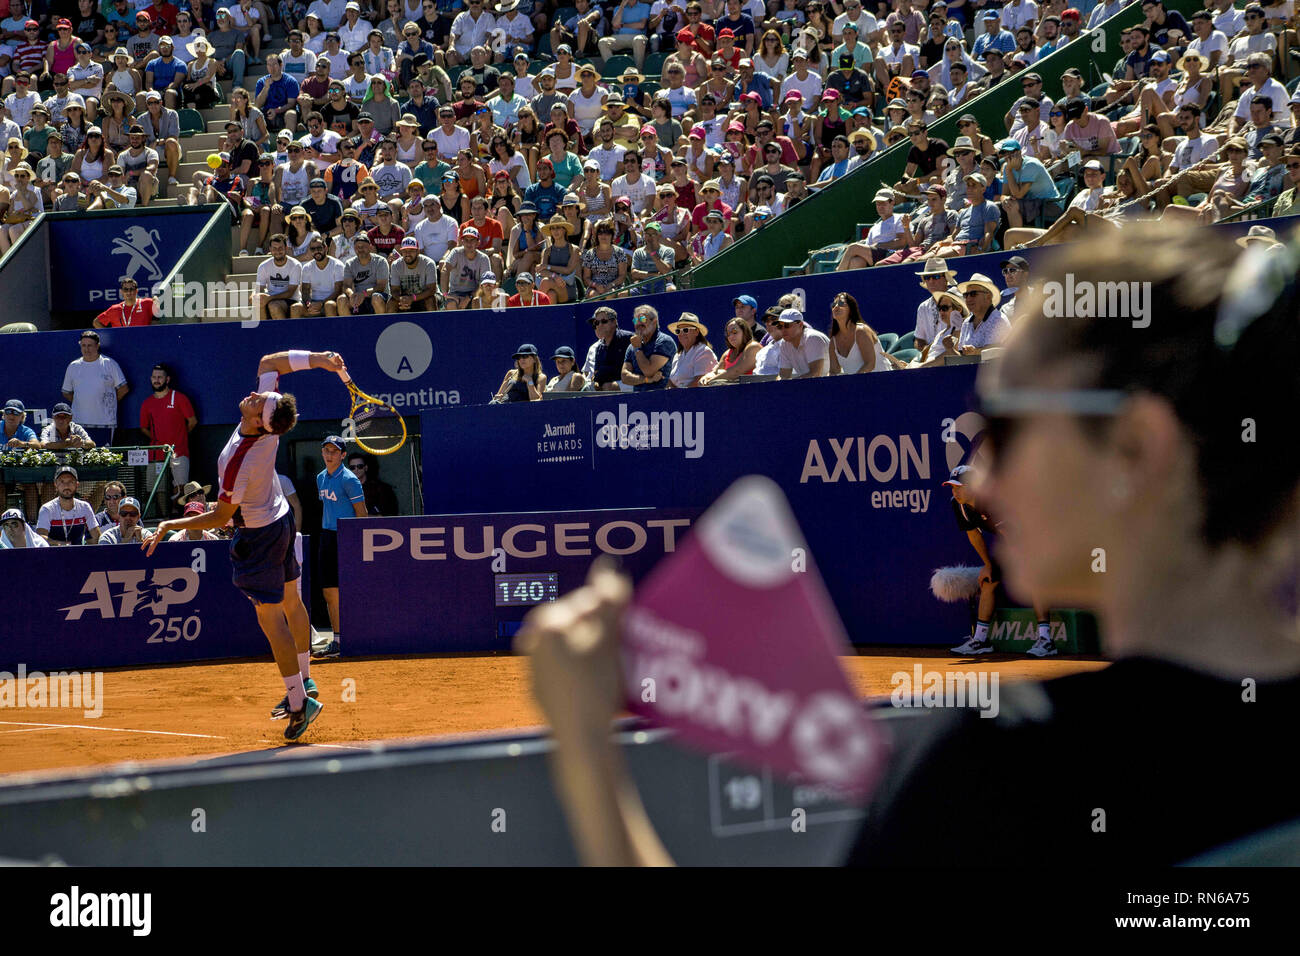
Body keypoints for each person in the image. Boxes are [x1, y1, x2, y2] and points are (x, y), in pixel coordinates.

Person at [143, 350, 350, 742]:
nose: (254, 395)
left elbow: (221, 518)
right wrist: (320, 360)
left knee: (271, 619)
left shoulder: (241, 460)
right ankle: (306, 682)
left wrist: (171, 521)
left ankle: (297, 702)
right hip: (281, 520)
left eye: (259, 401)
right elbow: (269, 363)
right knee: (292, 602)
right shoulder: (265, 423)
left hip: (259, 537)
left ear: (260, 422)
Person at [944, 465, 1059, 657]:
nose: (955, 491)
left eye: (959, 487)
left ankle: (1046, 640)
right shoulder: (959, 505)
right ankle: (980, 640)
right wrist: (988, 565)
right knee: (988, 581)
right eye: (952, 487)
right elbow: (974, 536)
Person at [314, 434, 367, 659]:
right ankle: (337, 640)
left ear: (343, 455)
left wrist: (356, 543)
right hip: (327, 537)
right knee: (328, 590)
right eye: (326, 450)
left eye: (334, 451)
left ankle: (357, 637)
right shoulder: (320, 478)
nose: (329, 454)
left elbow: (361, 514)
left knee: (350, 590)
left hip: (346, 538)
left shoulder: (350, 480)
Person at [60, 330, 127, 448]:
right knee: (81, 459)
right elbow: (67, 393)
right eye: (83, 345)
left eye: (90, 345)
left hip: (105, 424)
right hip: (79, 424)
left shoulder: (109, 364)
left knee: (103, 458)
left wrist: (108, 402)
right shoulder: (73, 366)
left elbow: (123, 388)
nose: (87, 349)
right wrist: (83, 401)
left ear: (97, 346)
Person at [828, 292, 901, 373]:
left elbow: (870, 364)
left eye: (841, 303)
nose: (836, 307)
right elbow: (833, 371)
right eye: (833, 305)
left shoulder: (861, 332)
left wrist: (853, 383)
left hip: (883, 381)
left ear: (851, 309)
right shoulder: (833, 342)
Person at [36, 465, 101, 545]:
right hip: (54, 554)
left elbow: (96, 535)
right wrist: (59, 544)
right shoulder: (47, 509)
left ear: (77, 484)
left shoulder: (85, 507)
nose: (66, 486)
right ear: (55, 484)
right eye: (62, 482)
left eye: (70, 481)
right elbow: (40, 537)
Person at [621, 304, 676, 391]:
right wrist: (646, 380)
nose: (638, 323)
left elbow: (648, 371)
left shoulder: (664, 341)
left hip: (661, 397)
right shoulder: (632, 346)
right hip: (638, 398)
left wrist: (638, 348)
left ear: (654, 321)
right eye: (635, 320)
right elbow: (624, 377)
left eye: (642, 319)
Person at [582, 306, 634, 391]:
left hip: (637, 382)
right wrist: (596, 383)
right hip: (612, 383)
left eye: (603, 321)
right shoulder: (599, 348)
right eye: (596, 323)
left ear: (614, 322)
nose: (599, 326)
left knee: (608, 386)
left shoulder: (629, 338)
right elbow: (597, 374)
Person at [955, 273, 1010, 353]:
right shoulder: (966, 323)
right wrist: (950, 350)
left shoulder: (999, 320)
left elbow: (995, 352)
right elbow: (962, 355)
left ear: (988, 297)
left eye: (973, 294)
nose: (968, 299)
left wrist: (975, 352)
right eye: (966, 295)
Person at [255, 233, 304, 320]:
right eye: (274, 248)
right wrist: (255, 297)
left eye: (280, 248)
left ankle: (284, 333)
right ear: (270, 249)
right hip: (271, 299)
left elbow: (290, 292)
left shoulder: (295, 265)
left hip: (291, 300)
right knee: (258, 302)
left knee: (273, 305)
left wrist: (269, 298)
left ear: (286, 248)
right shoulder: (263, 266)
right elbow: (259, 289)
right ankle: (262, 331)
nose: (277, 251)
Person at [775, 307, 829, 378]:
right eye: (780, 326)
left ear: (800, 325)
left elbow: (815, 375)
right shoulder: (784, 343)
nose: (783, 329)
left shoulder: (812, 338)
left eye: (787, 325)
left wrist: (791, 384)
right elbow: (784, 376)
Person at [666, 313, 717, 388]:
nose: (681, 333)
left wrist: (678, 396)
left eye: (685, 330)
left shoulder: (704, 351)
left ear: (696, 332)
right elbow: (671, 381)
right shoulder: (678, 355)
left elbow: (699, 381)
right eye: (678, 331)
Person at [346, 451, 399, 516]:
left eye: (360, 466)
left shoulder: (380, 489)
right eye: (352, 467)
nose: (356, 470)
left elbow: (387, 515)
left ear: (366, 468)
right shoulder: (345, 489)